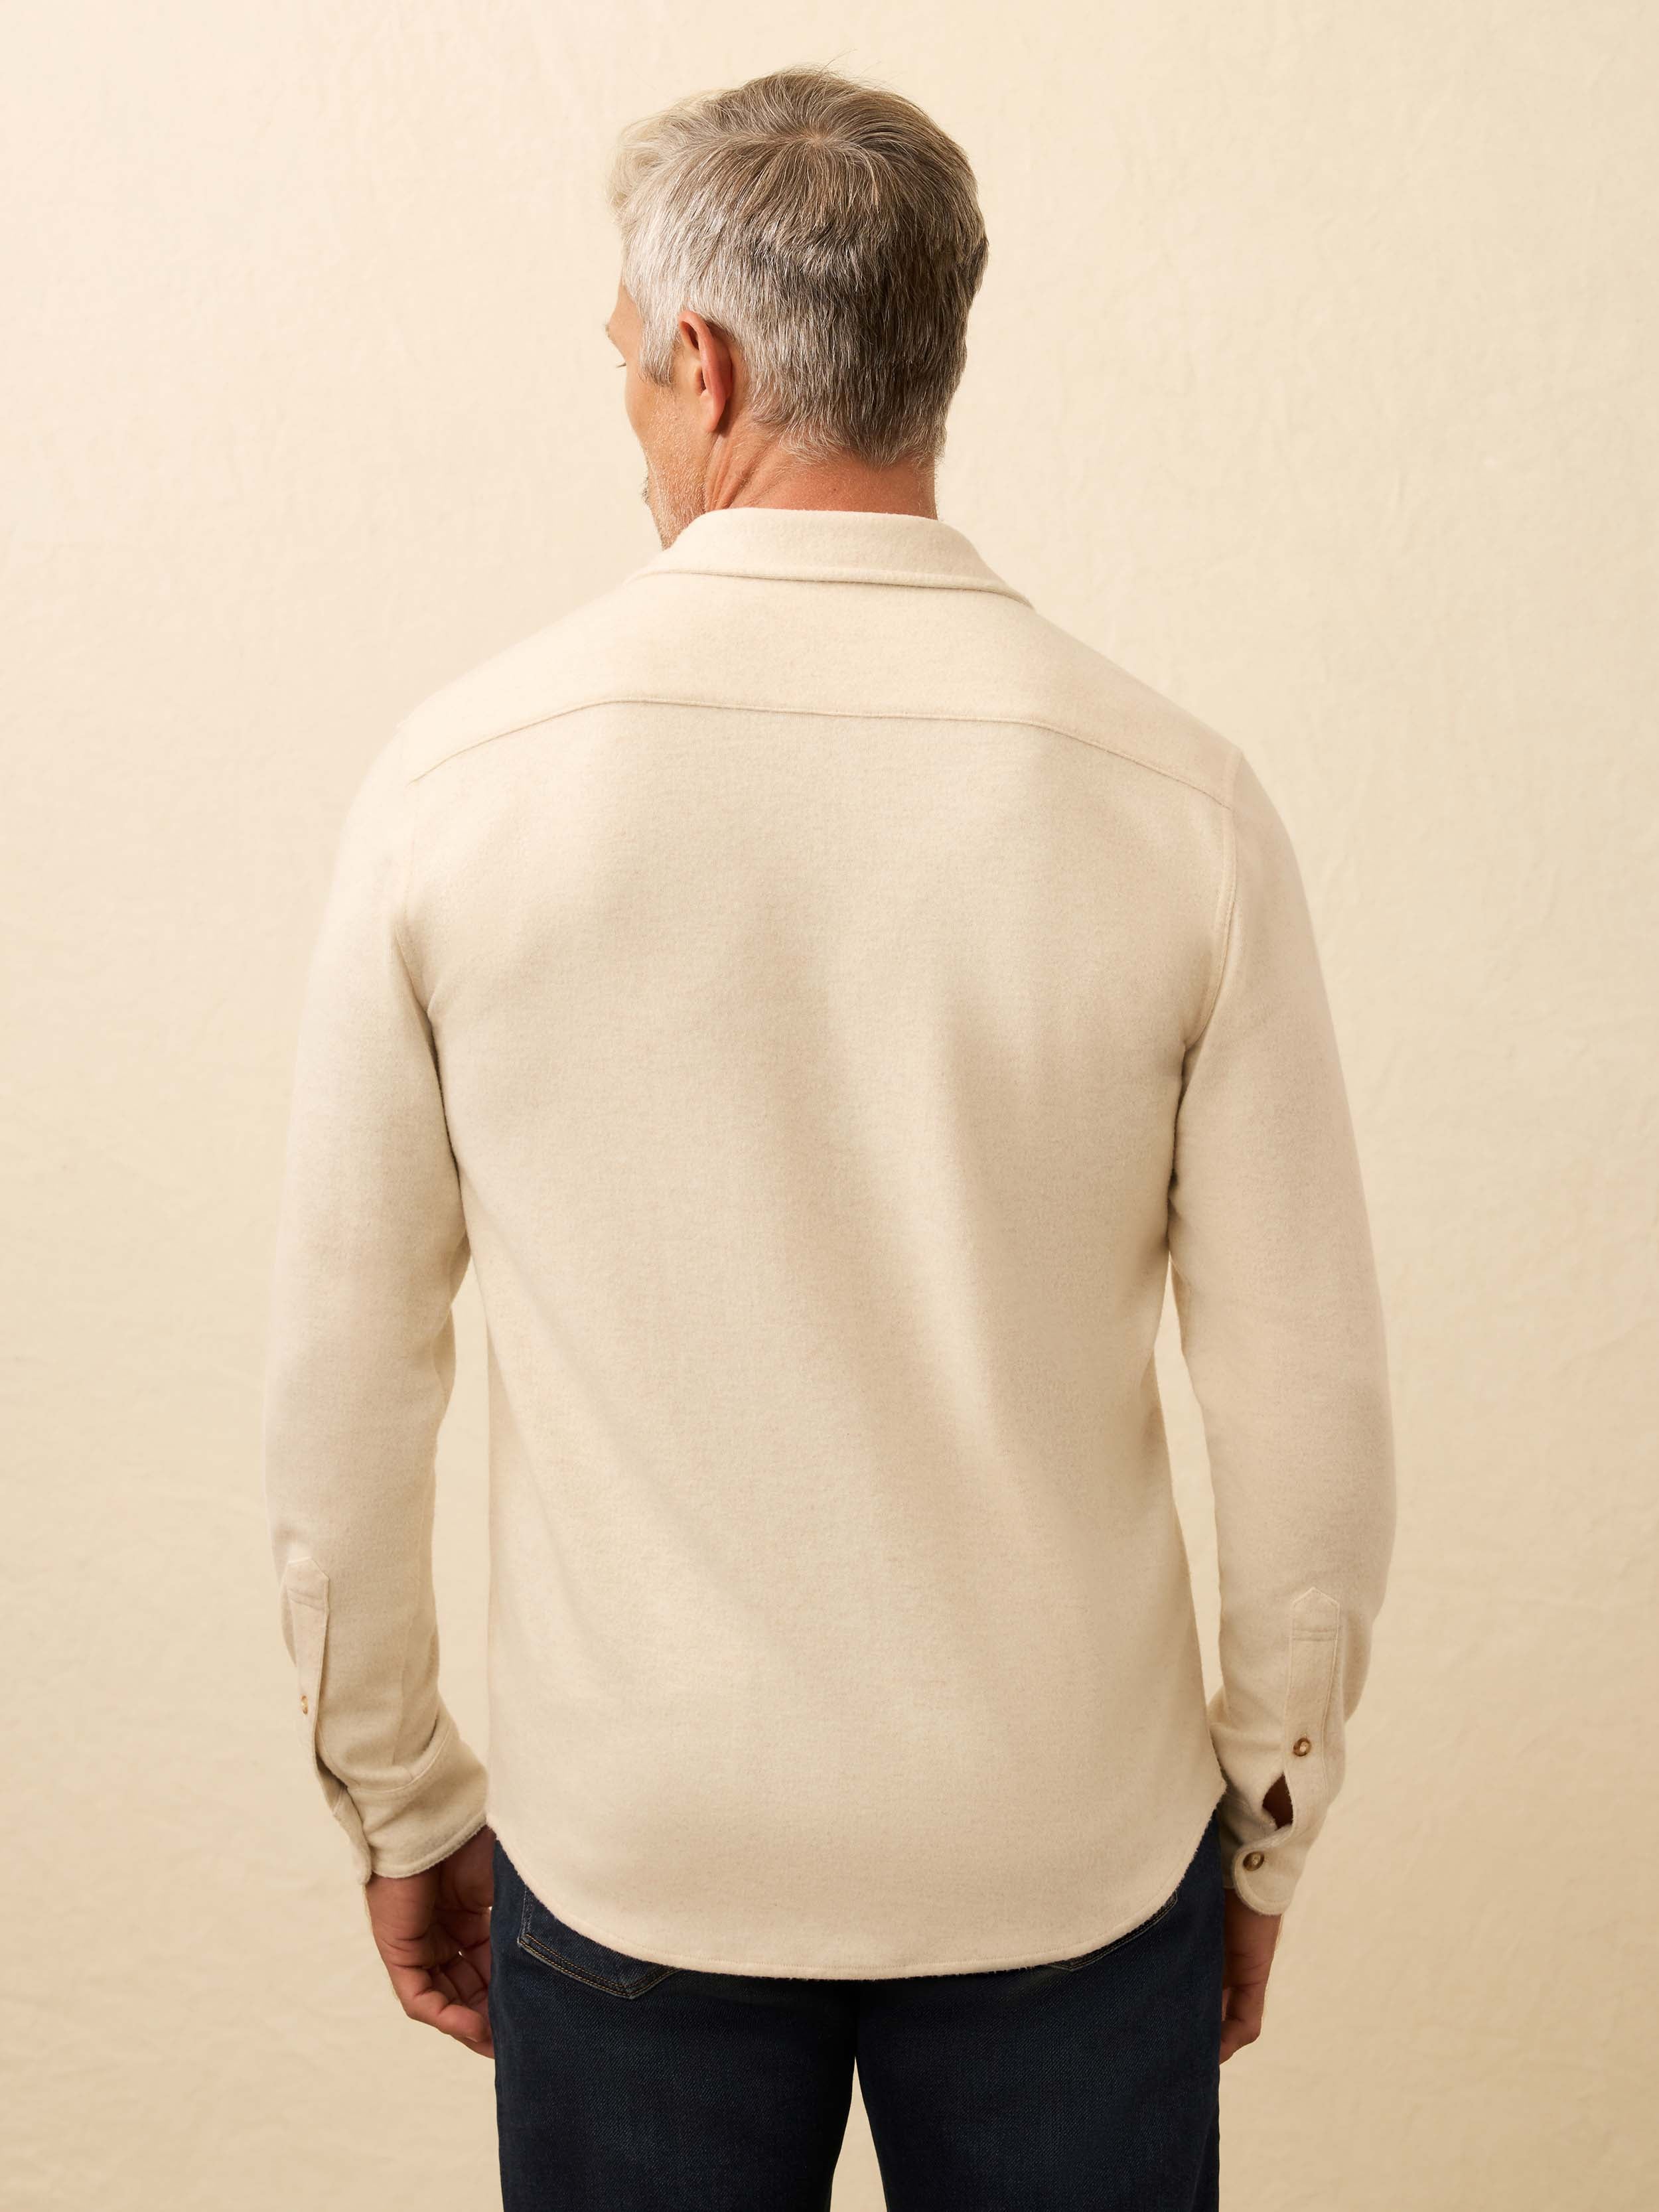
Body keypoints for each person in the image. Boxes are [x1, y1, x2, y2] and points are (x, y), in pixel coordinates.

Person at [261, 62, 1396, 2211]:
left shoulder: (460, 788)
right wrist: (1267, 1814)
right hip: (1064, 1849)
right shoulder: (1171, 802)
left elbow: (342, 1391)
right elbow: (1307, 1411)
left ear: (703, 367)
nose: (629, 407)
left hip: (642, 1848)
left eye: (626, 358)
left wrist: (396, 1797)